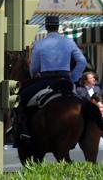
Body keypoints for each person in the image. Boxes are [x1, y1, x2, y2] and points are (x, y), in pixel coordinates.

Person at [15, 15, 87, 144]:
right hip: (66, 80)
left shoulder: (39, 43)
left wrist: (34, 75)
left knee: (22, 98)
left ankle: (24, 131)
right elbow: (82, 62)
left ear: (47, 27)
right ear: (58, 26)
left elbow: (34, 68)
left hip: (46, 81)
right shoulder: (69, 42)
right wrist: (73, 77)